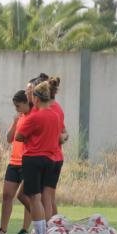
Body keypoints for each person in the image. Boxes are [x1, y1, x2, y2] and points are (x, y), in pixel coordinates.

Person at [15, 80, 63, 234]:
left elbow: (19, 136)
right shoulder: (55, 115)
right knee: (45, 198)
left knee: (34, 199)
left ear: (36, 98)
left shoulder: (34, 116)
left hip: (33, 159)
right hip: (51, 159)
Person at [0, 90, 32, 234]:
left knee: (26, 196)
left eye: (18, 106)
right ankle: (3, 229)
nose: (16, 109)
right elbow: (9, 138)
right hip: (14, 162)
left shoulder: (34, 117)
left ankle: (28, 227)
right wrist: (14, 121)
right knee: (7, 195)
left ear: (26, 103)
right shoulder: (19, 117)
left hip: (27, 161)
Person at [44, 77, 68, 219]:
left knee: (45, 196)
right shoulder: (58, 108)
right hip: (58, 156)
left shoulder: (47, 109)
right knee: (50, 196)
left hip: (48, 156)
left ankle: (46, 230)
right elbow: (64, 132)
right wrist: (62, 137)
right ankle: (57, 226)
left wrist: (59, 137)